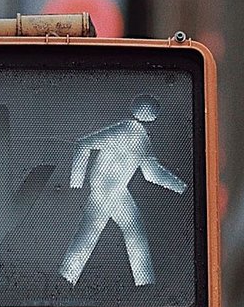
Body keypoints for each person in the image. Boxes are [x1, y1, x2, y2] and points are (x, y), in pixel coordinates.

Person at [59, 94, 186, 287]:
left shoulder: (134, 134)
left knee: (95, 234)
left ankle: (66, 278)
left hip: (111, 191)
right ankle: (145, 285)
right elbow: (83, 144)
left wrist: (180, 187)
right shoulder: (130, 132)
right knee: (130, 233)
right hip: (109, 191)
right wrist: (75, 183)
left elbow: (152, 173)